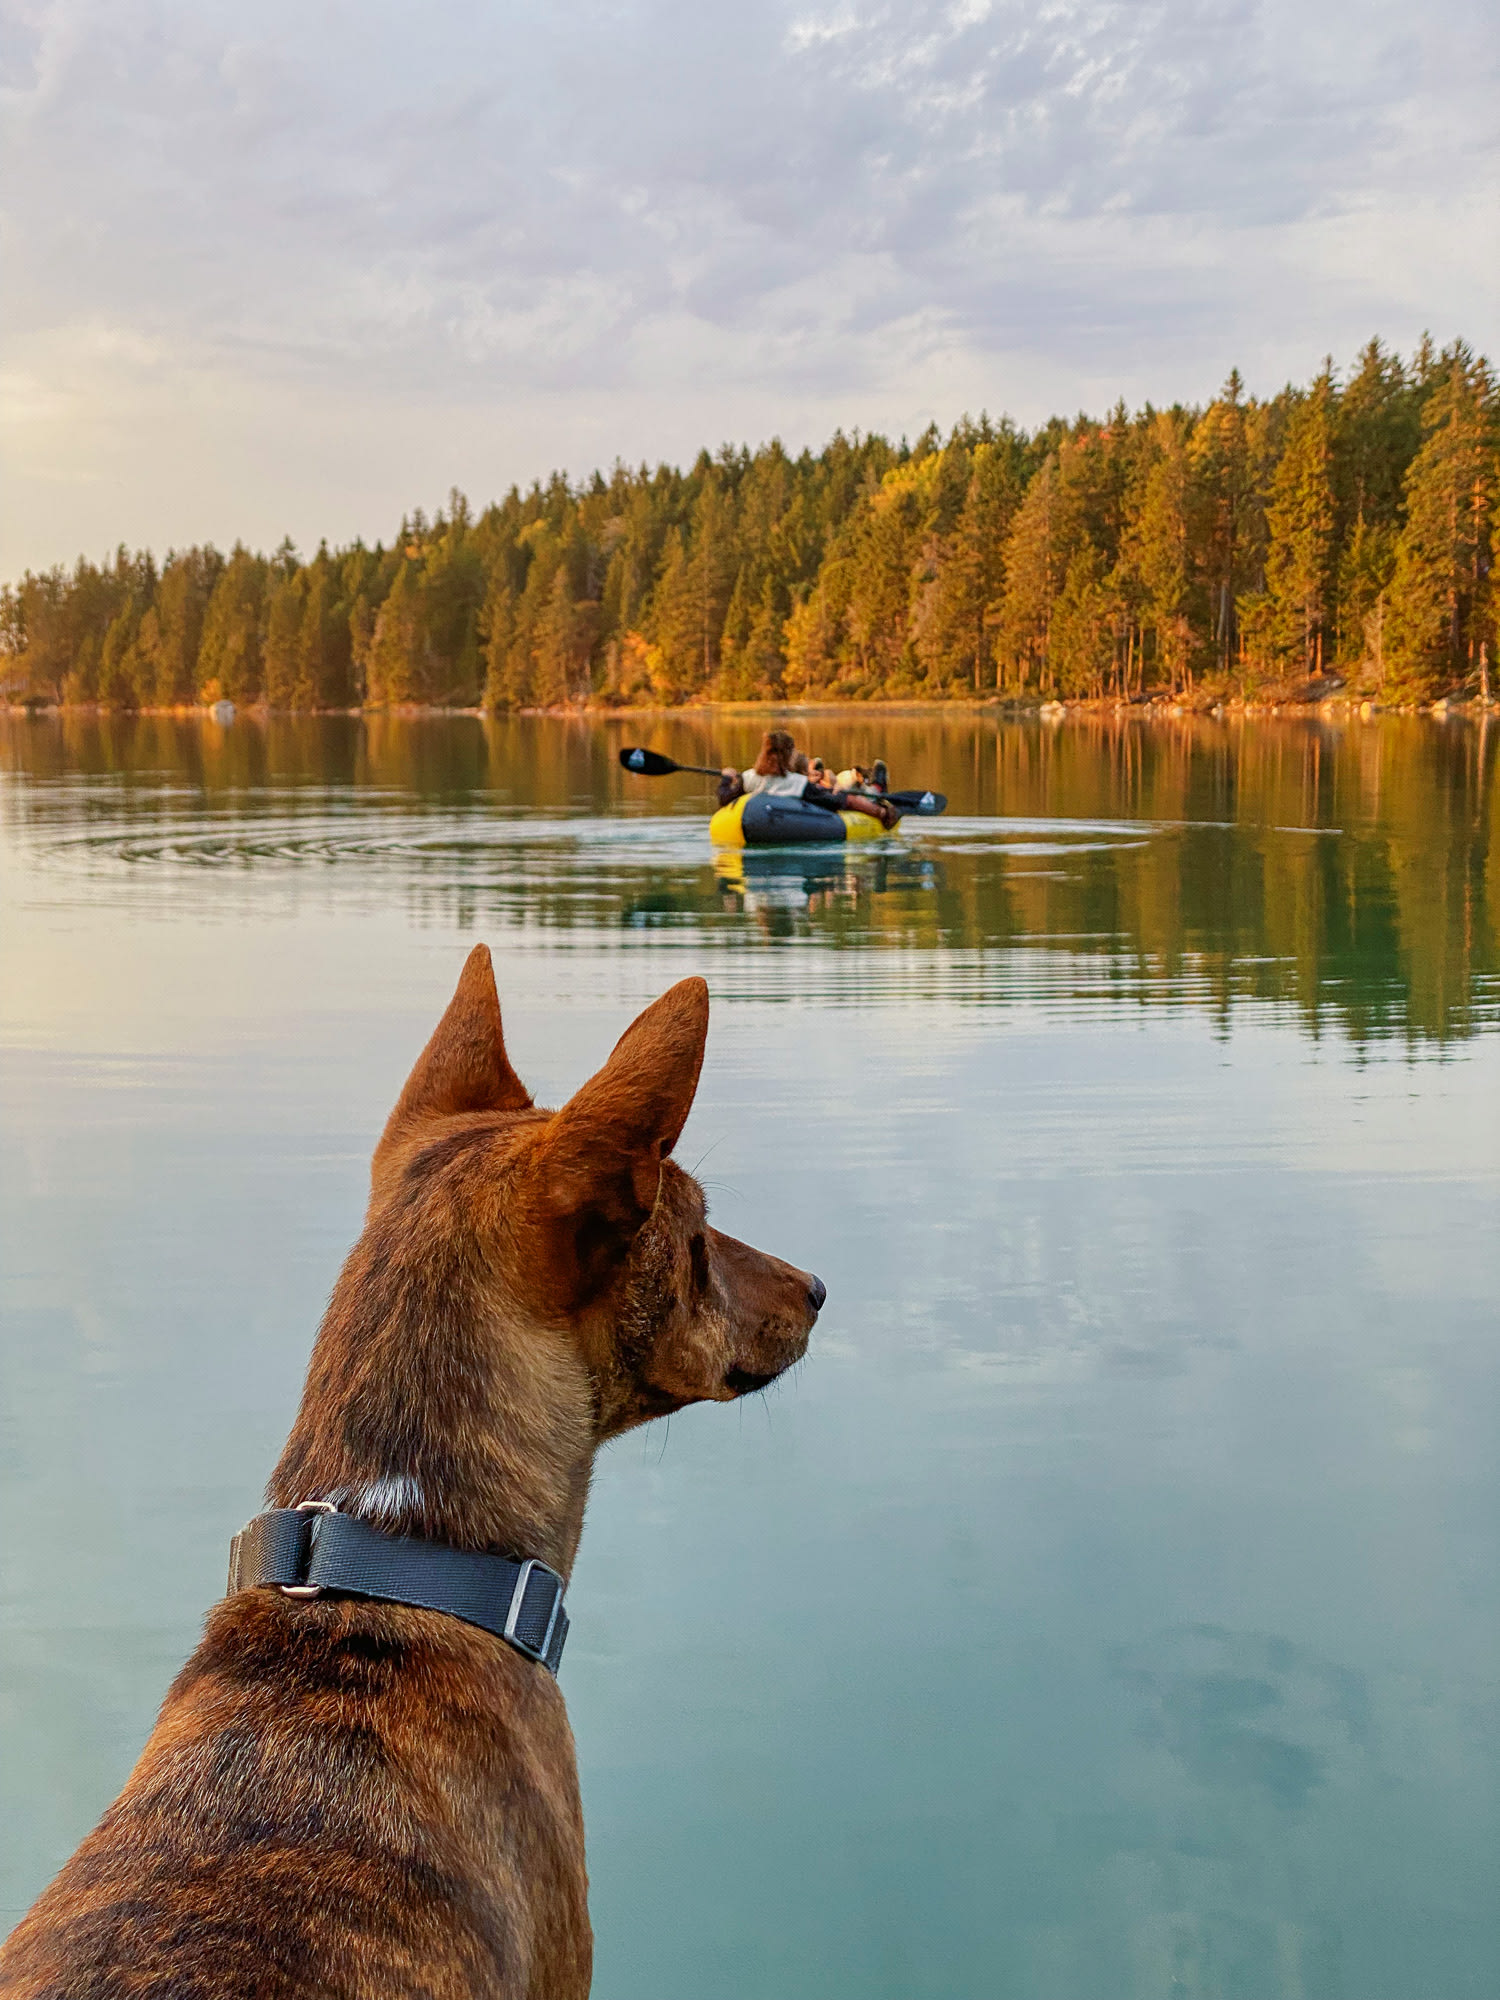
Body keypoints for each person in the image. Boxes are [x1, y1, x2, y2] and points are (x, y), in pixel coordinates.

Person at [719, 730, 896, 828]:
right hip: (791, 818)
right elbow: (839, 802)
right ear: (789, 754)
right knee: (848, 796)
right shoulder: (797, 783)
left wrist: (727, 778)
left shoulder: (748, 777)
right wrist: (881, 813)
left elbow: (724, 798)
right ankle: (878, 794)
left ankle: (873, 786)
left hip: (762, 819)